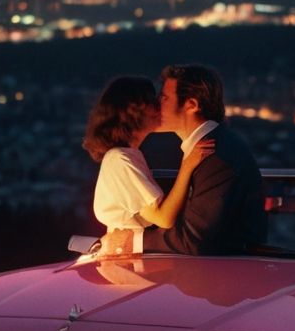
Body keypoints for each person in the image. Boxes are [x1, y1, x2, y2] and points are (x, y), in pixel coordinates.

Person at [101, 64, 266, 256]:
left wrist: (133, 241)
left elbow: (196, 239)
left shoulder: (216, 157)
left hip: (226, 272)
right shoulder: (214, 146)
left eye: (164, 97)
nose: (155, 104)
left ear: (191, 105)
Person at [83, 76, 214, 235]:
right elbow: (163, 218)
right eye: (151, 101)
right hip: (128, 256)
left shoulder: (124, 157)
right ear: (132, 111)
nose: (159, 107)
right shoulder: (121, 159)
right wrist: (188, 165)